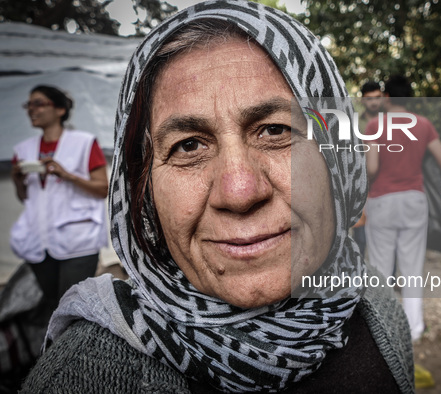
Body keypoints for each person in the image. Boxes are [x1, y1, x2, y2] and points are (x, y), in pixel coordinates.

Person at [22, 2, 414, 393]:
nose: (240, 192)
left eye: (276, 130)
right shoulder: (85, 374)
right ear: (144, 193)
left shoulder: (373, 302)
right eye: (188, 145)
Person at [365, 74, 441, 342]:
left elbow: (371, 166)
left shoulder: (375, 125)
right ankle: (414, 329)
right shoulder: (424, 125)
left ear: (386, 97)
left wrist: (365, 187)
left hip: (382, 201)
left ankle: (383, 329)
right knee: (412, 268)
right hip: (414, 201)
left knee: (381, 268)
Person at [10, 85, 109, 323]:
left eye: (39, 103)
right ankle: (54, 354)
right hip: (39, 239)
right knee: (53, 303)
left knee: (72, 305)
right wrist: (18, 179)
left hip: (78, 239)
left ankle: (75, 355)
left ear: (60, 109)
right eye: (29, 104)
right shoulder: (22, 150)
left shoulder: (84, 143)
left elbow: (102, 189)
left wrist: (68, 175)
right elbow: (24, 197)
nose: (32, 109)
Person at [351, 81, 385, 258]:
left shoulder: (393, 121)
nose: (374, 102)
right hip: (363, 187)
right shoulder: (355, 125)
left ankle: (390, 280)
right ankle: (360, 279)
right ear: (362, 100)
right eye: (369, 99)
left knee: (386, 238)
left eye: (377, 98)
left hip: (388, 188)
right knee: (361, 238)